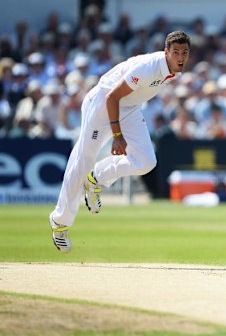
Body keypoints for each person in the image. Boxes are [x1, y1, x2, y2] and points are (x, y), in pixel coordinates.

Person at [49, 31, 191, 253]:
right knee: (82, 160)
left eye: (184, 52)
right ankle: (60, 222)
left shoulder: (173, 71)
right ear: (166, 53)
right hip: (102, 104)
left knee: (146, 161)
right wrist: (117, 136)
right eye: (175, 53)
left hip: (129, 108)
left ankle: (97, 177)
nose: (180, 57)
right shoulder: (148, 68)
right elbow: (111, 97)